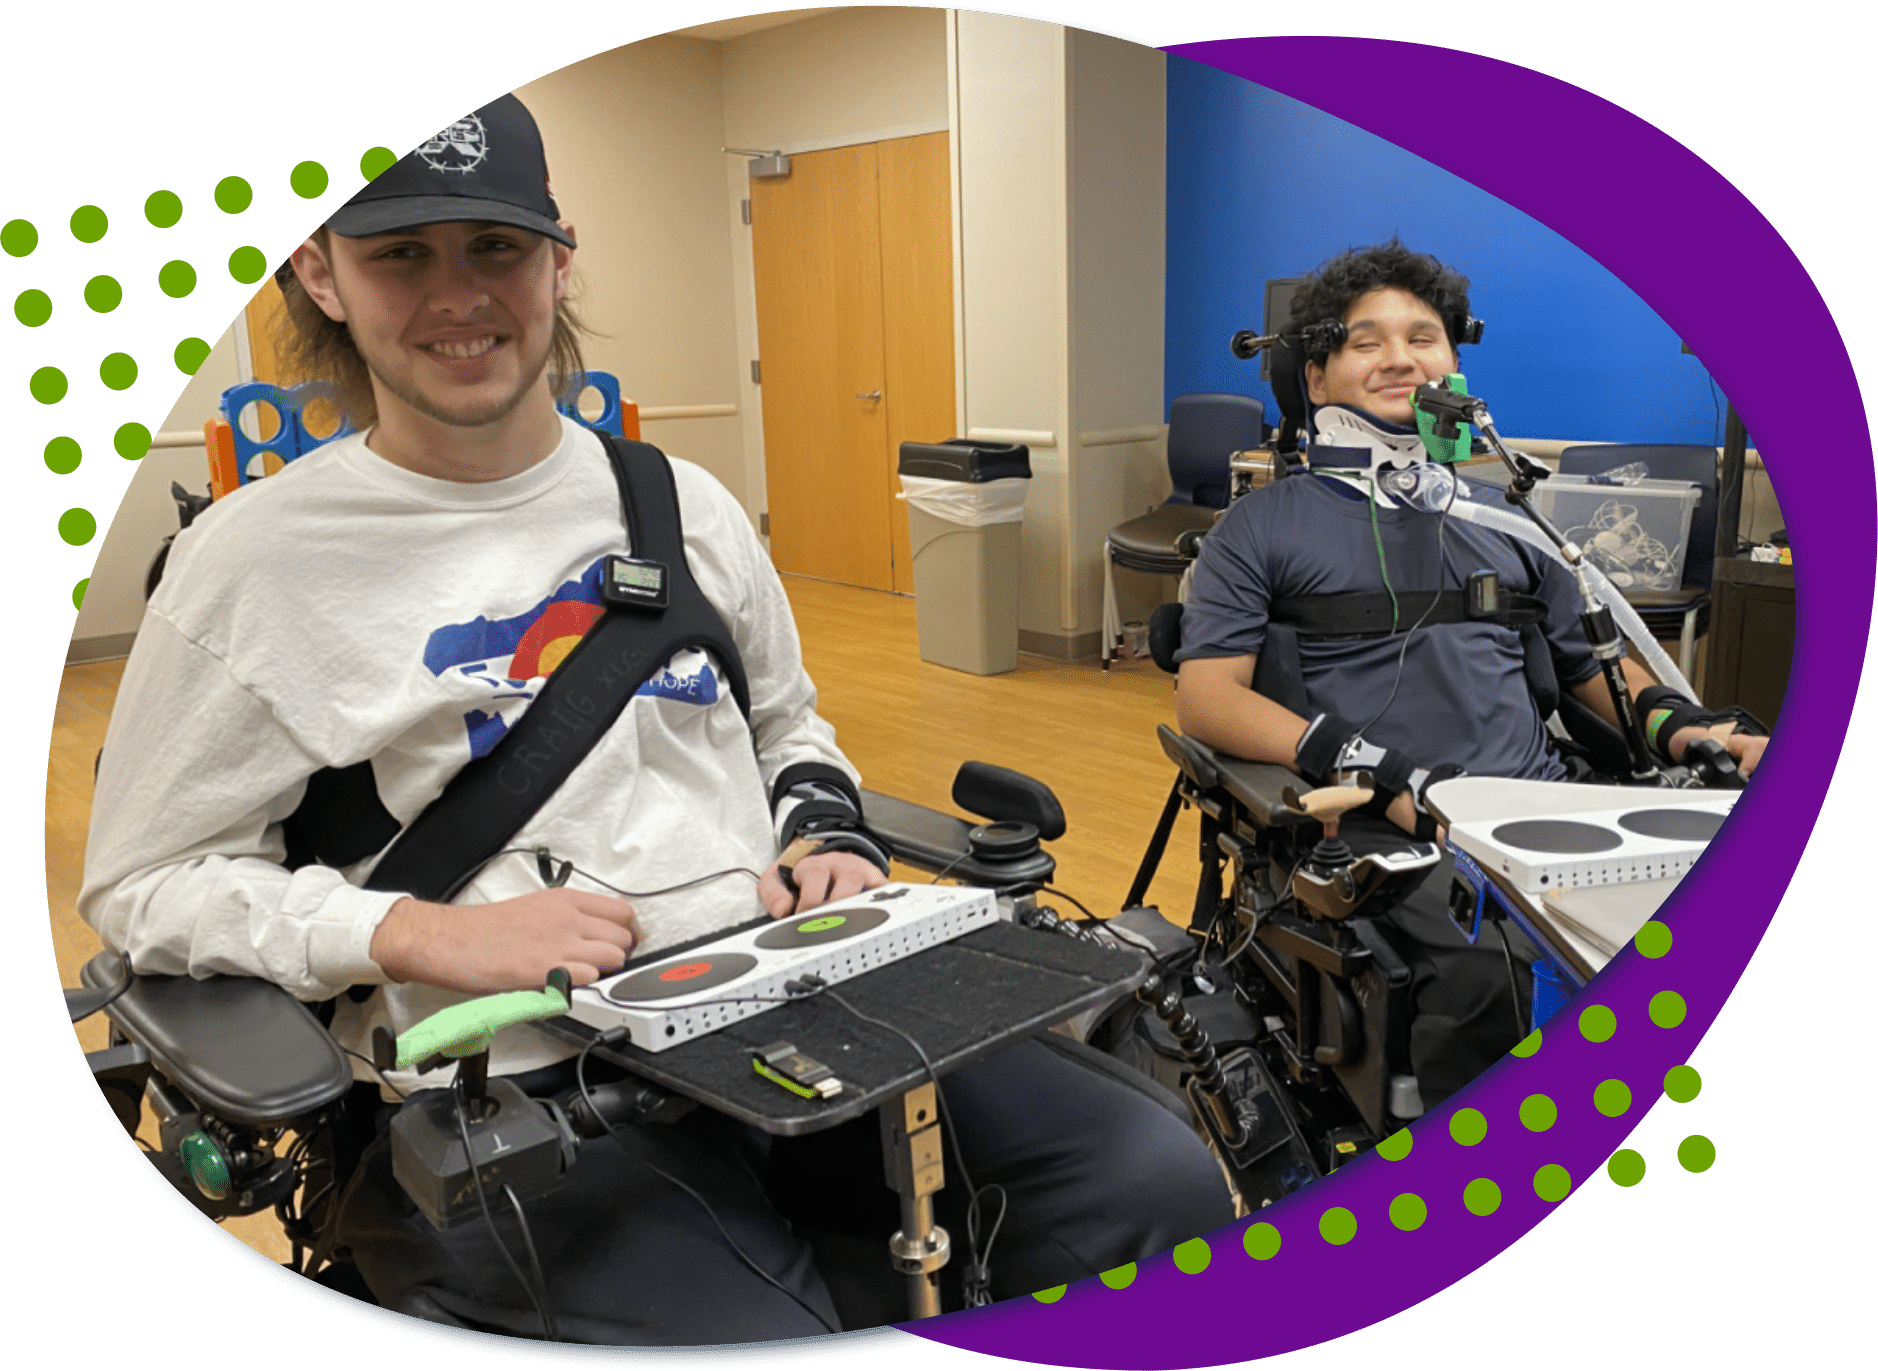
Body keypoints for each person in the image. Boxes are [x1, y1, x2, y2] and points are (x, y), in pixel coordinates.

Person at [80, 94, 1231, 1344]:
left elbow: (787, 727)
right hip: (521, 1076)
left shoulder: (680, 503)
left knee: (1146, 1180)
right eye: (402, 254)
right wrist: (416, 932)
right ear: (321, 274)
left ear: (558, 257)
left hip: (787, 997)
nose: (459, 295)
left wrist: (824, 828)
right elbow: (145, 885)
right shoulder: (255, 563)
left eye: (496, 247)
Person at [1174, 240, 1765, 1105]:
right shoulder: (1260, 529)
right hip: (1384, 826)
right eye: (1367, 341)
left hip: (1540, 808)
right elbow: (1206, 697)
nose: (1400, 357)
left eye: (1423, 337)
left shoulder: (1507, 518)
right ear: (1317, 376)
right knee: (1499, 973)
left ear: (1453, 364)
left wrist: (1690, 729)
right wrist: (1373, 770)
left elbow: (1593, 667)